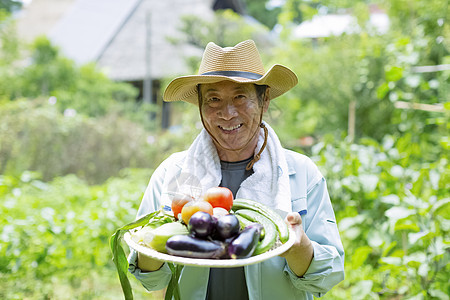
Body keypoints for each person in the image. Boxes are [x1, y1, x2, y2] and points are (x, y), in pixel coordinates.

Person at [128, 40, 344, 299]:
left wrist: (299, 248)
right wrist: (150, 242)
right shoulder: (172, 173)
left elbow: (329, 274)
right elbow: (152, 280)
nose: (227, 113)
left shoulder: (302, 173)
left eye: (240, 97)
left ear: (263, 101)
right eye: (214, 99)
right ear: (200, 105)